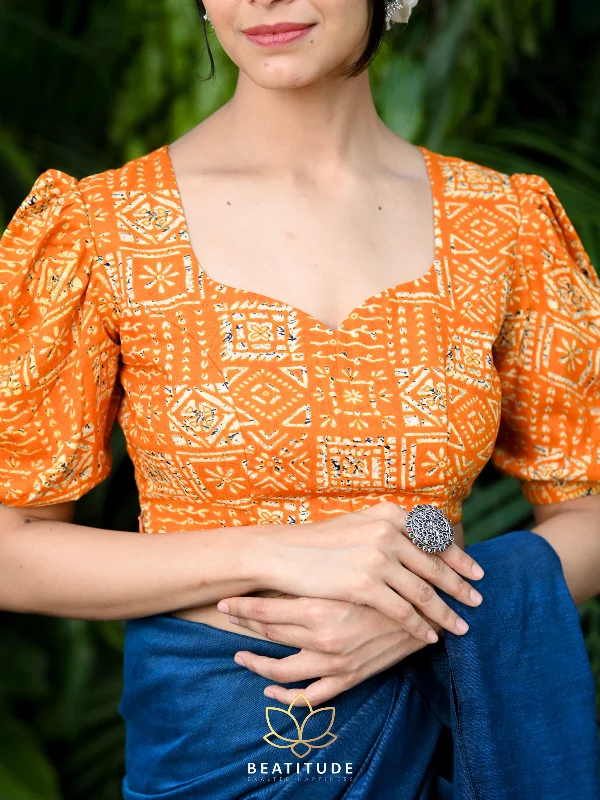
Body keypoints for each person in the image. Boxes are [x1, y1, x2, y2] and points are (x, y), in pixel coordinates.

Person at [1, 0, 600, 797]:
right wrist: (264, 554)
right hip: (213, 749)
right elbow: (12, 548)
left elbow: (588, 509)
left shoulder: (501, 223)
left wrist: (423, 610)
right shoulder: (102, 227)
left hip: (449, 738)